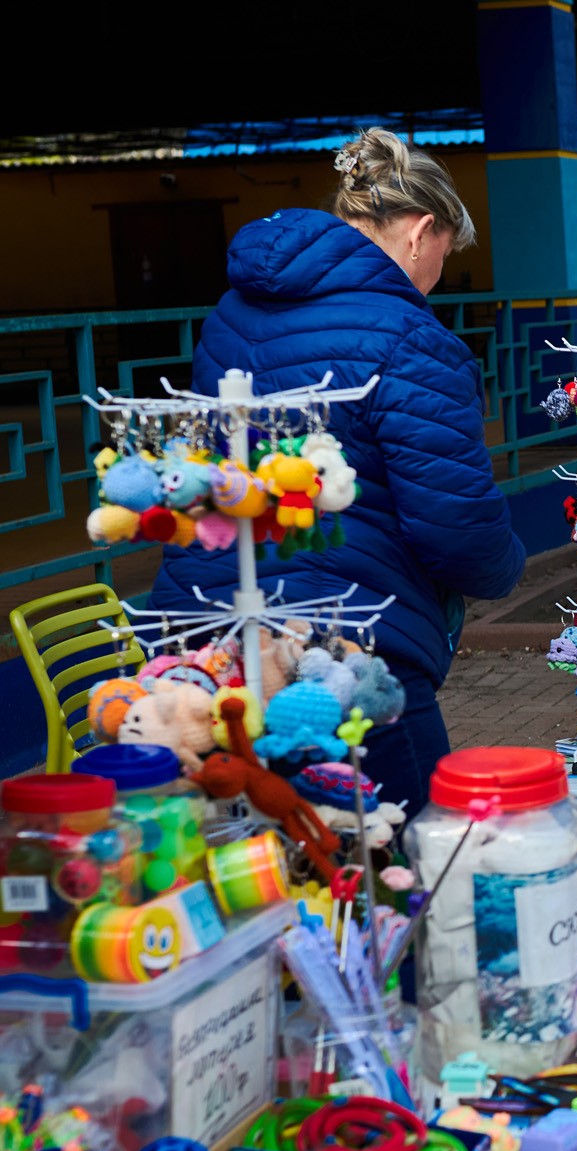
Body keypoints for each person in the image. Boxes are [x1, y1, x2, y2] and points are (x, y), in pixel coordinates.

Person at [154, 129, 525, 813]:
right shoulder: (412, 338)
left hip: (211, 627)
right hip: (344, 643)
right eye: (448, 250)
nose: (442, 269)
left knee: (257, 868)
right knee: (398, 859)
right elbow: (455, 526)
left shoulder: (229, 315)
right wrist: (507, 565)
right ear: (420, 232)